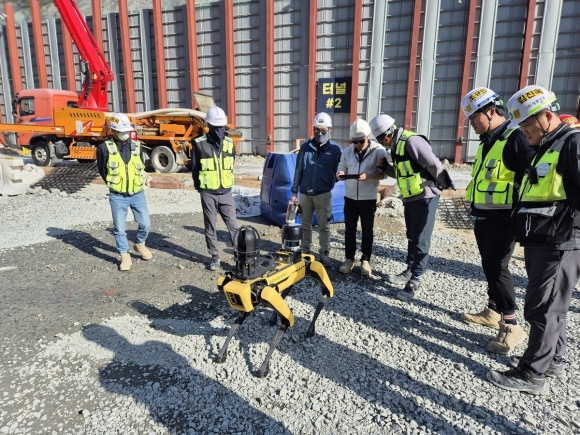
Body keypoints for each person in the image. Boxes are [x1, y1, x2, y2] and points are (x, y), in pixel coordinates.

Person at [487, 85, 580, 395]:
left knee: (542, 308)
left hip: (560, 242)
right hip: (544, 241)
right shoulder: (547, 146)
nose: (523, 132)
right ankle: (553, 359)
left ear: (547, 116)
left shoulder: (571, 144)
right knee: (555, 306)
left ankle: (532, 373)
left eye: (527, 125)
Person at [459, 87, 535, 354]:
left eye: (473, 118)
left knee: (497, 268)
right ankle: (493, 311)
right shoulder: (489, 141)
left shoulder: (516, 139)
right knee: (489, 265)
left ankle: (511, 325)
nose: (471, 124)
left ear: (491, 111)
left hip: (505, 219)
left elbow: (533, 178)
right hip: (484, 215)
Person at [370, 114, 452, 301]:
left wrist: (443, 183)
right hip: (410, 198)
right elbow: (402, 174)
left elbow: (433, 163)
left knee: (421, 238)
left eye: (383, 139)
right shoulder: (396, 147)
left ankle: (416, 279)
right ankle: (410, 269)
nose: (383, 143)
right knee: (412, 236)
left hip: (425, 196)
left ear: (389, 133)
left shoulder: (412, 141)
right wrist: (386, 168)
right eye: (380, 140)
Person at [97, 113, 152, 272]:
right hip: (118, 196)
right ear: (113, 131)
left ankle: (139, 243)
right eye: (122, 131)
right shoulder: (104, 148)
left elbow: (141, 166)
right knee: (120, 229)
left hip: (137, 194)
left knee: (145, 224)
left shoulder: (137, 146)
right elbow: (103, 170)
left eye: (127, 131)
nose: (125, 134)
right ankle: (124, 255)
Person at [336, 119, 388, 276]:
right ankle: (349, 259)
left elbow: (384, 174)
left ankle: (365, 260)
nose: (358, 144)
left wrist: (369, 176)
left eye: (361, 140)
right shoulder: (347, 152)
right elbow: (340, 169)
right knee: (349, 230)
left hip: (368, 198)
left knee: (367, 231)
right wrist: (340, 174)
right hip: (350, 198)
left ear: (368, 136)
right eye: (355, 141)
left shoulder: (379, 151)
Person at [291, 112, 342, 267]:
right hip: (305, 193)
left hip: (323, 194)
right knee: (305, 224)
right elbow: (298, 170)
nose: (320, 133)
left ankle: (324, 252)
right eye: (317, 130)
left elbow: (339, 171)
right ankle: (306, 248)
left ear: (329, 130)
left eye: (323, 131)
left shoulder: (335, 150)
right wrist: (294, 192)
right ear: (313, 129)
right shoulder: (306, 147)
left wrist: (329, 183)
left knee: (324, 225)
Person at [191, 106, 238, 271]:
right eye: (216, 128)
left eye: (221, 128)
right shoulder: (199, 144)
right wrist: (201, 188)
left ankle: (239, 256)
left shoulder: (230, 143)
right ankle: (215, 257)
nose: (219, 131)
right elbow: (195, 168)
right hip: (208, 192)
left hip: (225, 191)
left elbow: (231, 164)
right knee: (210, 226)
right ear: (208, 126)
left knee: (233, 226)